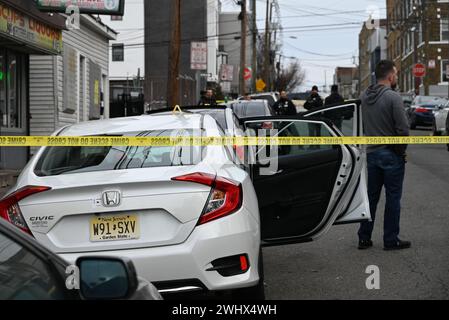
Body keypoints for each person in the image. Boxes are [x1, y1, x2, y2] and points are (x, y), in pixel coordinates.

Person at [358, 60, 411, 251]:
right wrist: (401, 150)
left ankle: (364, 237)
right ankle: (390, 239)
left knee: (371, 197)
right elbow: (403, 129)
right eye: (395, 75)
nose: (396, 78)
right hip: (391, 154)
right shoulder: (393, 97)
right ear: (390, 76)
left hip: (371, 153)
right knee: (393, 198)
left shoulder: (364, 96)